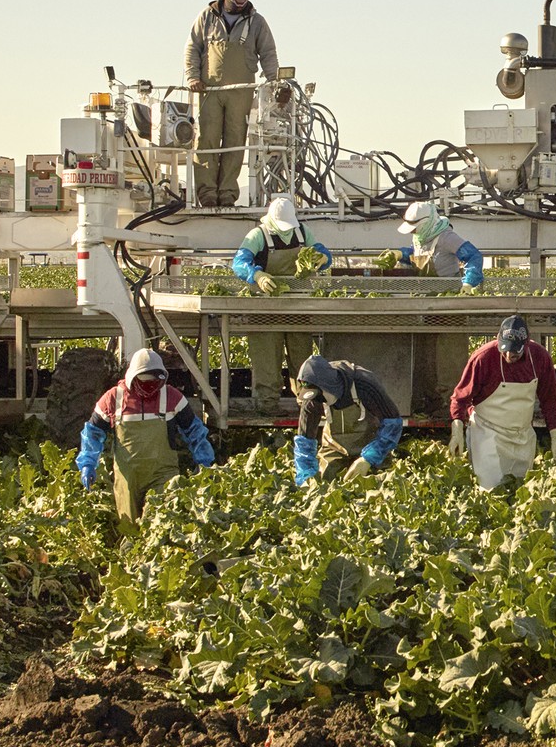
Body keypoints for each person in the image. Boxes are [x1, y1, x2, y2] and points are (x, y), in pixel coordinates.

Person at [76, 348, 215, 524]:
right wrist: (88, 463)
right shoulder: (113, 398)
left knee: (163, 522)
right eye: (144, 381)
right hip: (128, 477)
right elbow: (93, 433)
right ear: (133, 377)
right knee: (128, 526)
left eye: (155, 382)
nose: (150, 387)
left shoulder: (172, 397)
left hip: (163, 474)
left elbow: (194, 430)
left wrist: (203, 459)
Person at [184, 0, 279, 208]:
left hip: (241, 91)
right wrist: (193, 77)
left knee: (235, 141)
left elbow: (268, 53)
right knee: (206, 141)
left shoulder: (257, 22)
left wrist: (274, 84)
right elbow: (192, 48)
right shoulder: (206, 16)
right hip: (209, 90)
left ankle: (227, 194)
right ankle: (206, 194)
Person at [232, 195, 332, 413]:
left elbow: (324, 253)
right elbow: (239, 262)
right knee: (266, 358)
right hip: (265, 309)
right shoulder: (258, 235)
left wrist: (323, 259)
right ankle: (266, 404)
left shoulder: (302, 233)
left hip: (298, 306)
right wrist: (257, 276)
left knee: (302, 357)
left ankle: (306, 405)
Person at [449, 315, 556, 489]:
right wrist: (457, 431)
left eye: (515, 351)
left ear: (525, 345)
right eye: (505, 349)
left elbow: (550, 400)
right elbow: (461, 396)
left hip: (522, 437)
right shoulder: (484, 357)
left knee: (520, 492)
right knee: (490, 490)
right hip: (487, 434)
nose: (509, 355)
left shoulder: (540, 357)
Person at [291, 354, 403, 486]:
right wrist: (306, 477)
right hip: (334, 448)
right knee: (327, 482)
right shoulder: (311, 400)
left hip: (370, 444)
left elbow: (393, 424)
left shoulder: (364, 384)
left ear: (330, 387)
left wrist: (368, 459)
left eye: (320, 397)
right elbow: (304, 442)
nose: (316, 401)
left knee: (376, 483)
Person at [382, 200, 483, 291]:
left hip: (447, 294)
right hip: (423, 292)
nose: (412, 232)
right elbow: (417, 256)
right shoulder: (420, 237)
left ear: (426, 224)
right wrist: (400, 254)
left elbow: (473, 256)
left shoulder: (446, 237)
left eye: (414, 228)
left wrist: (468, 283)